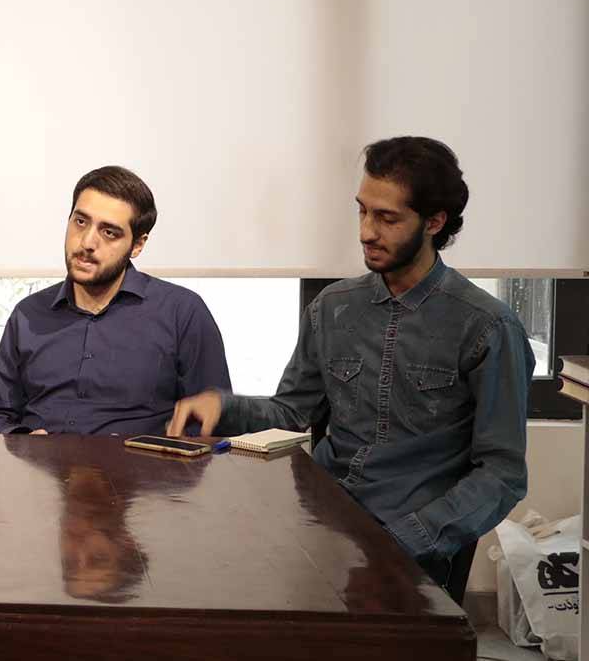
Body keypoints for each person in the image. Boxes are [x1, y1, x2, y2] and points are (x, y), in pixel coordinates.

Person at [168, 137, 533, 591]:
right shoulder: (333, 307)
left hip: (417, 551)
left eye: (387, 218)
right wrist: (223, 406)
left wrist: (407, 541)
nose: (365, 232)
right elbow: (292, 413)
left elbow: (502, 475)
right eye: (362, 211)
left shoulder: (488, 326)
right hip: (324, 525)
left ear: (434, 222)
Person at [0, 165, 231, 435]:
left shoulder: (182, 312)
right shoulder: (28, 314)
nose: (87, 242)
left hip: (139, 462)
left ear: (137, 245)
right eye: (80, 222)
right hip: (42, 462)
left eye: (109, 232)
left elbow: (213, 425)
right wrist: (22, 440)